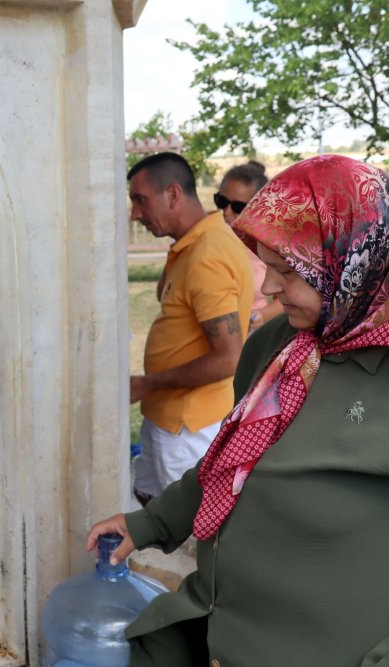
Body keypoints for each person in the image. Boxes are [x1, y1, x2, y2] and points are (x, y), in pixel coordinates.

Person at [89, 154, 389, 667]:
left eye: (289, 271)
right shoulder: (280, 344)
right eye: (267, 265)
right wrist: (150, 522)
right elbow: (236, 457)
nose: (266, 288)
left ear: (356, 261)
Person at [127, 153, 253, 502]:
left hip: (188, 427)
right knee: (151, 508)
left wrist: (145, 384)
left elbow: (228, 359)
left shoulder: (208, 253)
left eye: (140, 200)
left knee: (184, 535)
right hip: (168, 416)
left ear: (172, 195)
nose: (134, 213)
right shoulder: (194, 242)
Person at [214, 161, 284, 332]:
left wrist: (261, 315)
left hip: (250, 335)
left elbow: (284, 297)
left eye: (238, 206)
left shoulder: (269, 245)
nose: (226, 212)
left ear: (258, 207)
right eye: (221, 201)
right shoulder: (208, 237)